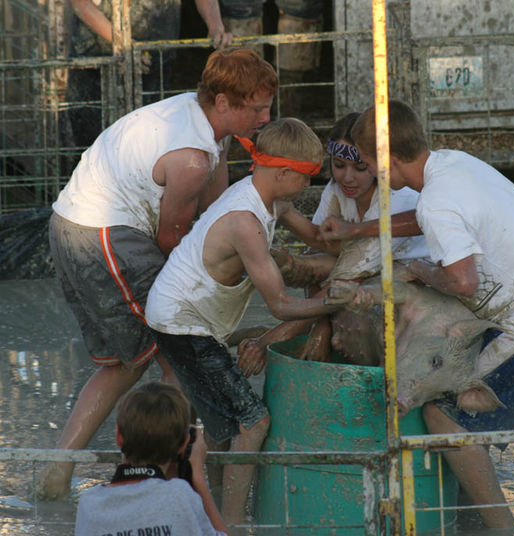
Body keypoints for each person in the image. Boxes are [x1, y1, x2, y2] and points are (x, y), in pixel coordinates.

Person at [321, 100, 514, 530]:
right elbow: (429, 219)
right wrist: (360, 229)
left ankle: (501, 526)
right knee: (459, 393)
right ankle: (470, 498)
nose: (365, 170)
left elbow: (461, 282)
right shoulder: (450, 164)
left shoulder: (436, 204)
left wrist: (417, 271)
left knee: (445, 415)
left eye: (368, 162)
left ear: (386, 161)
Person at [40, 48, 278, 501]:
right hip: (103, 235)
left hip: (73, 225)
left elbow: (216, 212)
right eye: (258, 108)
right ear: (224, 102)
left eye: (268, 107)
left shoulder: (206, 127)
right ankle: (170, 481)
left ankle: (56, 473)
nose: (266, 117)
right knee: (178, 351)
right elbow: (174, 241)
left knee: (127, 363)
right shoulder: (191, 158)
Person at [145, 117, 368, 532]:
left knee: (221, 425)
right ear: (283, 173)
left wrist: (360, 242)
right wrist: (333, 302)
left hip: (190, 320)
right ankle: (231, 522)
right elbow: (281, 305)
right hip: (183, 325)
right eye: (306, 179)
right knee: (254, 420)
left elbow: (320, 240)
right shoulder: (245, 222)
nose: (309, 188)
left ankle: (206, 513)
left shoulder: (270, 201)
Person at [237, 111, 431, 365]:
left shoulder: (395, 198)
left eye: (360, 168)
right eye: (339, 166)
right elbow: (322, 245)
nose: (347, 177)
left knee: (347, 306)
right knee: (319, 262)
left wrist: (266, 342)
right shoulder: (336, 189)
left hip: (416, 285)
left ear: (375, 164)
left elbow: (341, 283)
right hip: (363, 275)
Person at [67, 0, 234, 149]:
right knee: (95, 140)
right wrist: (121, 43)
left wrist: (215, 26)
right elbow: (80, 3)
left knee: (152, 140)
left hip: (156, 56)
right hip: (98, 59)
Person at [74, 381, 228, 536]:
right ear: (183, 445)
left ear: (119, 436)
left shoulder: (90, 504)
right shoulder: (180, 495)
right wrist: (197, 476)